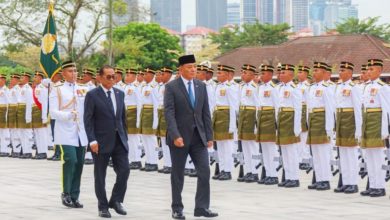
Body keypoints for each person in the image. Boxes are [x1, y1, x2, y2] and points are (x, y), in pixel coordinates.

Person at [164, 54, 218, 219]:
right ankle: (177, 208)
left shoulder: (201, 86)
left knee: (204, 172)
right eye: (189, 67)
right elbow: (169, 113)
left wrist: (209, 136)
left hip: (198, 138)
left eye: (194, 66)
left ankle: (201, 207)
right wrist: (175, 135)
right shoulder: (172, 87)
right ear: (180, 69)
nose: (193, 69)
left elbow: (205, 113)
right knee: (178, 174)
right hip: (179, 138)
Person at [84, 65, 130, 218]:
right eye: (109, 76)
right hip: (101, 142)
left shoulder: (120, 94)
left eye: (114, 76)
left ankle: (116, 200)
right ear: (99, 77)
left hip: (119, 141)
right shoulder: (92, 95)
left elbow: (122, 118)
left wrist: (125, 136)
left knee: (124, 171)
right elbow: (88, 120)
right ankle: (103, 206)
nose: (112, 79)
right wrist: (92, 140)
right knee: (100, 175)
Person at [49, 61, 89, 208]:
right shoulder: (57, 89)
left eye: (76, 71)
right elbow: (53, 112)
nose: (74, 73)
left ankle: (75, 195)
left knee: (80, 163)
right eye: (71, 71)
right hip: (65, 131)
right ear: (63, 74)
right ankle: (66, 193)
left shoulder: (84, 88)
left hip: (81, 131)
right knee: (70, 159)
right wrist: (68, 115)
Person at [360, 59, 389, 197]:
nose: (368, 72)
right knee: (369, 157)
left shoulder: (383, 87)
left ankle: (380, 186)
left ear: (379, 71)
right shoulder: (366, 86)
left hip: (377, 123)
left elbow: (387, 110)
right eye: (368, 69)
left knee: (378, 157)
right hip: (367, 123)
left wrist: (385, 130)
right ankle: (372, 185)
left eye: (372, 70)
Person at [333, 61, 362, 194]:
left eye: (343, 70)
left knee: (351, 154)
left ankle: (353, 183)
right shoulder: (338, 86)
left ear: (350, 73)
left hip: (350, 121)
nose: (340, 72)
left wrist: (358, 127)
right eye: (340, 70)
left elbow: (357, 108)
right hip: (340, 120)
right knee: (343, 154)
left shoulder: (353, 87)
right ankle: (345, 182)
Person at [306, 62, 335, 191]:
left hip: (322, 122)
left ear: (324, 73)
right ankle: (318, 179)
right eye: (314, 70)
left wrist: (329, 127)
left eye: (317, 70)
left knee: (323, 153)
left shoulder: (326, 88)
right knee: (316, 153)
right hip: (313, 122)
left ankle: (326, 180)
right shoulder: (311, 88)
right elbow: (309, 109)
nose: (314, 72)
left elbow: (329, 109)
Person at [276, 64, 302, 188]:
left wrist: (297, 127)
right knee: (284, 151)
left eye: (284, 73)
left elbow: (298, 108)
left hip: (290, 120)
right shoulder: (280, 88)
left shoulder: (294, 88)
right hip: (282, 119)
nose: (281, 75)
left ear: (291, 75)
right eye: (280, 73)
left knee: (291, 152)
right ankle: (288, 176)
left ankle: (294, 178)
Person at [212, 64, 237, 181]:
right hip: (218, 117)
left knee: (227, 147)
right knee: (220, 147)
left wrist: (232, 125)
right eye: (218, 73)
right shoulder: (217, 86)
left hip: (226, 117)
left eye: (220, 73)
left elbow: (233, 107)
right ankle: (222, 169)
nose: (218, 75)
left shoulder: (230, 87)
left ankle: (228, 170)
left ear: (227, 75)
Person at [256, 65, 280, 185]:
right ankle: (268, 173)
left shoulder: (273, 88)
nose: (261, 75)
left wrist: (277, 123)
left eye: (264, 73)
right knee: (264, 148)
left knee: (270, 148)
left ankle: (273, 175)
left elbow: (277, 106)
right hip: (261, 117)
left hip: (270, 118)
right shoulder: (260, 88)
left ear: (270, 75)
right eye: (261, 73)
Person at [237, 64, 259, 183]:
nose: (242, 75)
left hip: (251, 117)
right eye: (242, 72)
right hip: (243, 115)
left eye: (245, 73)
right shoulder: (241, 87)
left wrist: (256, 123)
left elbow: (258, 105)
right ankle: (248, 171)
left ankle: (255, 172)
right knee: (245, 146)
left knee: (252, 146)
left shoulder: (255, 87)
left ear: (251, 74)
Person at [296, 66, 311, 170]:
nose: (298, 74)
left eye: (301, 72)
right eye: (298, 72)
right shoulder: (297, 86)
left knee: (305, 137)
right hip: (298, 110)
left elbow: (309, 103)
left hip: (304, 111)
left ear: (306, 74)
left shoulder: (307, 86)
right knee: (298, 137)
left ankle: (306, 159)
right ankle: (300, 159)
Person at [32, 71, 49, 159]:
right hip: (35, 112)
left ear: (40, 78)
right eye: (34, 77)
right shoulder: (37, 87)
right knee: (37, 133)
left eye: (36, 77)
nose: (34, 79)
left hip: (41, 112)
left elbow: (44, 103)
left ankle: (44, 151)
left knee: (42, 133)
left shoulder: (43, 88)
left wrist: (44, 116)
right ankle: (39, 150)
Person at [17, 72, 34, 159]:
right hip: (20, 112)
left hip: (25, 113)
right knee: (21, 133)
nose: (21, 79)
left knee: (26, 133)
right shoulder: (22, 88)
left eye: (22, 78)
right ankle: (24, 150)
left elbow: (29, 103)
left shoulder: (28, 89)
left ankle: (28, 151)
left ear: (27, 79)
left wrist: (28, 116)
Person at [0, 73, 9, 157]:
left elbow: (8, 103)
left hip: (4, 112)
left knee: (4, 132)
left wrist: (7, 115)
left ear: (3, 80)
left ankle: (5, 150)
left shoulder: (6, 90)